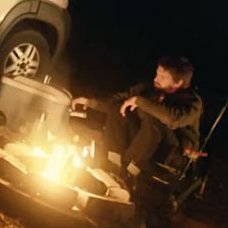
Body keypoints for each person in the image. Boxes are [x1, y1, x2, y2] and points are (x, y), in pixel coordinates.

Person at [72, 56, 203, 181]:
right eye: (157, 73)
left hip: (172, 151)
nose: (156, 79)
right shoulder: (152, 87)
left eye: (163, 77)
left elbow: (173, 120)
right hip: (144, 139)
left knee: (154, 118)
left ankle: (128, 172)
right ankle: (112, 163)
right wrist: (91, 103)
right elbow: (122, 98)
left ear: (178, 83)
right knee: (119, 109)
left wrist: (140, 101)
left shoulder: (192, 102)